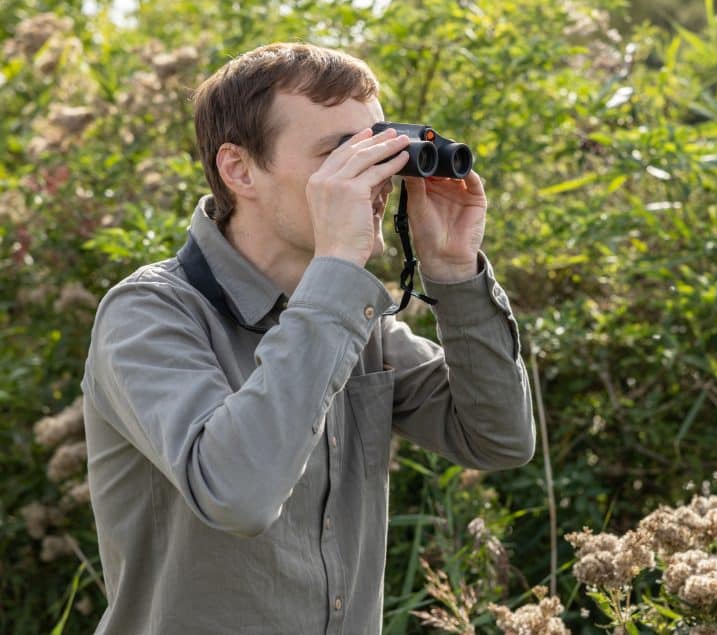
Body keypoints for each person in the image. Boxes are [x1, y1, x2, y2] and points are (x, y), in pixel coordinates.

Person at [80, 42, 535, 634]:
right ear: (239, 169)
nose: (374, 179)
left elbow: (498, 439)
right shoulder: (149, 314)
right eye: (340, 154)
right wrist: (339, 271)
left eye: (379, 149)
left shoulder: (352, 319)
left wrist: (453, 271)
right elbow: (237, 495)